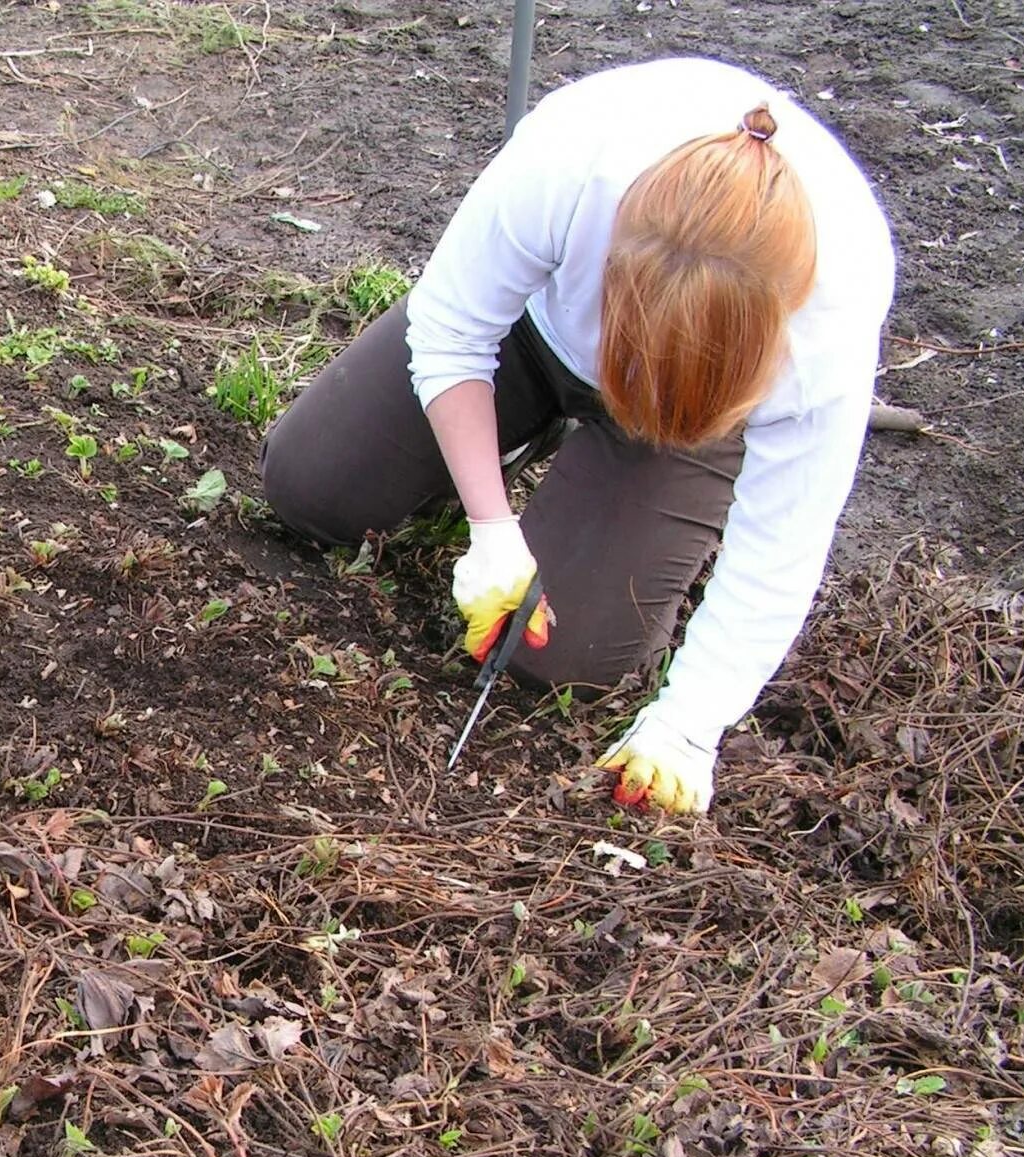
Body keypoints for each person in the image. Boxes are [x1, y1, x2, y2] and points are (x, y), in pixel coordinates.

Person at [258, 56, 896, 815]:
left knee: (563, 655)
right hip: (531, 342)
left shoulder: (833, 318)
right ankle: (531, 432)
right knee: (310, 487)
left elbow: (782, 542)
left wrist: (689, 726)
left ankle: (637, 500)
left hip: (685, 428)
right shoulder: (574, 161)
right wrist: (492, 529)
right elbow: (452, 332)